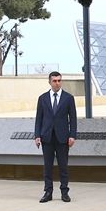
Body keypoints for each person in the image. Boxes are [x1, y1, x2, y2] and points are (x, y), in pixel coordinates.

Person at [33, 71, 77, 202]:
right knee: (47, 167)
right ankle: (48, 192)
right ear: (49, 82)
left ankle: (64, 192)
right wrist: (37, 135)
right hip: (47, 137)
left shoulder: (68, 98)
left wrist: (72, 135)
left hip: (63, 137)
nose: (57, 83)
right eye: (54, 81)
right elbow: (38, 118)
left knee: (63, 166)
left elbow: (73, 118)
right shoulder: (43, 98)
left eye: (59, 80)